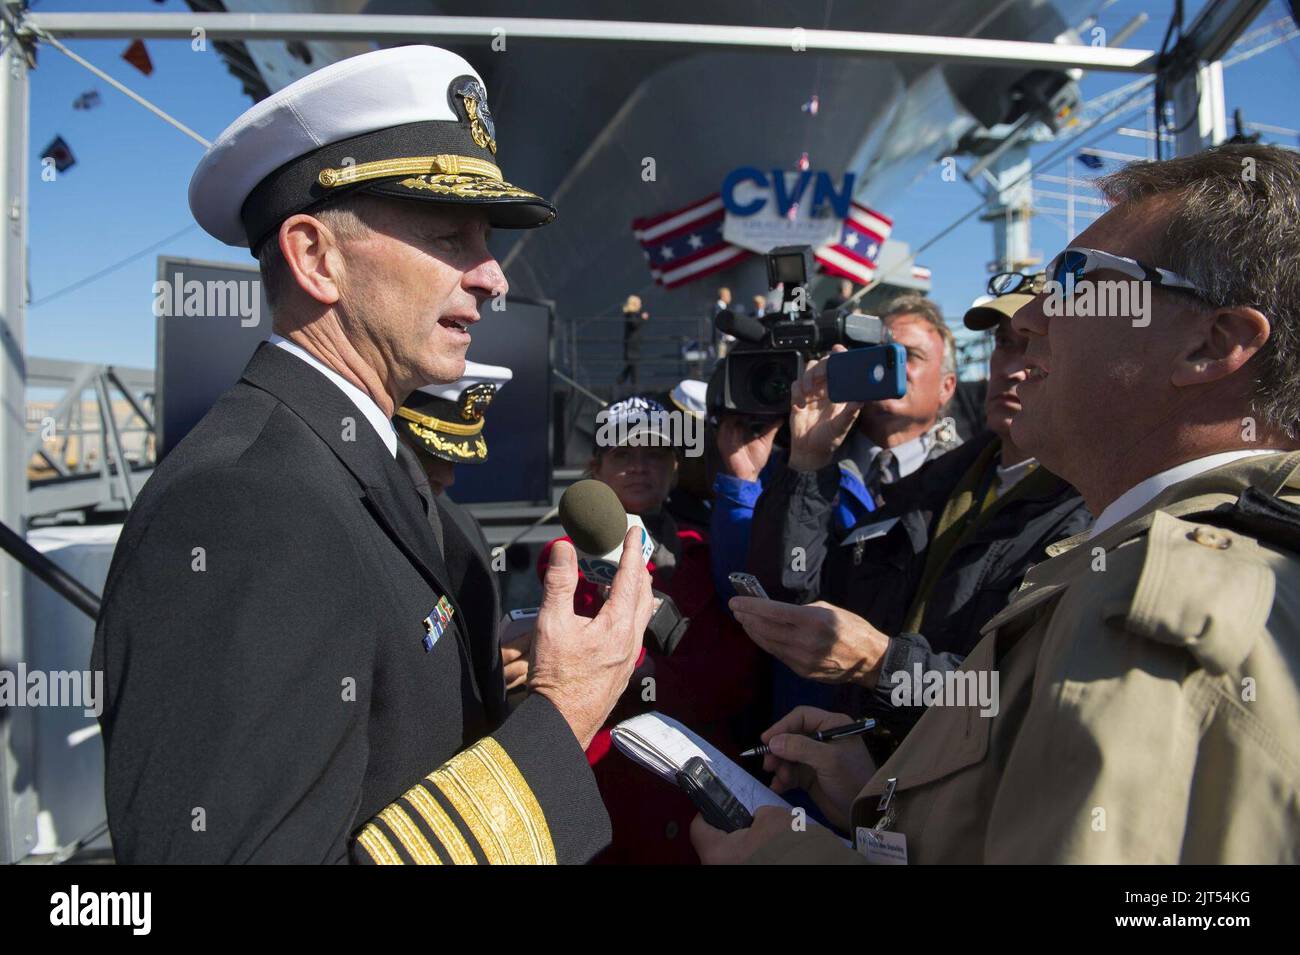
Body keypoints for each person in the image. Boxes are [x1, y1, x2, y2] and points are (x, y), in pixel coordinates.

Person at [92, 45, 653, 865]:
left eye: (485, 238)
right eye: (449, 234)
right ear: (315, 256)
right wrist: (562, 714)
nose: (493, 276)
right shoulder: (247, 503)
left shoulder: (360, 464)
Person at [693, 143, 1300, 864]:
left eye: (1076, 281)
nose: (1037, 322)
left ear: (1213, 342)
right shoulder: (1131, 556)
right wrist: (893, 801)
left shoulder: (1165, 609)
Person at [736, 279, 1091, 749]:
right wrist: (807, 460)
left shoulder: (1093, 510)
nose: (1015, 367)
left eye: (1038, 344)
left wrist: (881, 665)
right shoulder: (936, 486)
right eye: (1005, 344)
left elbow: (1020, 703)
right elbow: (792, 596)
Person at [528, 396, 763, 863]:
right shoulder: (562, 562)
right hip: (606, 790)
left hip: (701, 794)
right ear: (596, 469)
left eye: (654, 454)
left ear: (675, 469)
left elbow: (739, 677)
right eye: (623, 454)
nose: (639, 467)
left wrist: (649, 670)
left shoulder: (711, 555)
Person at [618, 294, 649, 388]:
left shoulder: (633, 315)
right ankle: (633, 387)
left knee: (631, 367)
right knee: (633, 368)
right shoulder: (630, 314)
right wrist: (642, 318)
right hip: (631, 346)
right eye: (639, 303)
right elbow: (634, 325)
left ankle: (620, 382)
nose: (641, 305)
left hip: (634, 346)